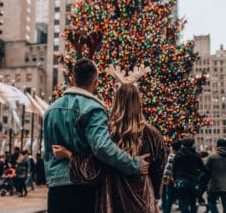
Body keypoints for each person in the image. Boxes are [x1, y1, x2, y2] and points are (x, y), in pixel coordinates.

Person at [52, 63, 166, 212]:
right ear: (139, 101)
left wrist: (69, 155)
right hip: (143, 203)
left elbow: (92, 169)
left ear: (116, 101)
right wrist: (155, 197)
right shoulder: (152, 134)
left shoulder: (105, 131)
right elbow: (158, 171)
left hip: (111, 201)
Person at [173, 137, 208, 213]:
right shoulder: (196, 155)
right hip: (193, 181)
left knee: (183, 202)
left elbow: (174, 168)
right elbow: (203, 168)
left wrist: (174, 179)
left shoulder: (178, 154)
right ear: (192, 144)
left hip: (181, 181)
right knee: (193, 203)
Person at [206, 138, 226, 213]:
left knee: (211, 201)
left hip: (214, 185)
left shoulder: (211, 156)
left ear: (217, 146)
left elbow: (206, 171)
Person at [162, 139, 181, 213]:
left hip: (171, 180)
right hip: (179, 179)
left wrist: (165, 181)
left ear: (173, 148)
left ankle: (166, 211)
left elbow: (168, 169)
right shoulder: (181, 155)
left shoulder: (172, 155)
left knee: (168, 197)